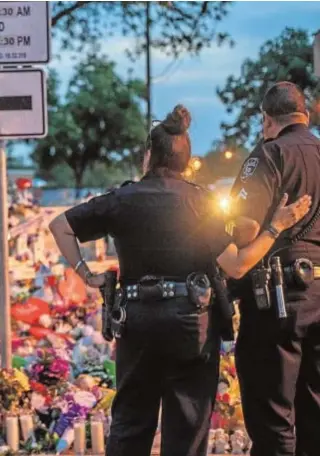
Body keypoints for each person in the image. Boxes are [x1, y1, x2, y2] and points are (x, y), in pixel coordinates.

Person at [49, 104, 311, 456]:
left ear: (148, 157)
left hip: (135, 321)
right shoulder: (203, 203)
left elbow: (60, 225)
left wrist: (86, 274)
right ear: (188, 163)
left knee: (129, 424)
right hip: (192, 324)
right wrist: (276, 226)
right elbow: (236, 266)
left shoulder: (121, 199)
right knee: (187, 429)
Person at [230, 81, 320, 456]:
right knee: (314, 408)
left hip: (279, 299)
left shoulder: (268, 155)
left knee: (273, 414)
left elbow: (242, 227)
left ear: (267, 119)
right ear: (306, 114)